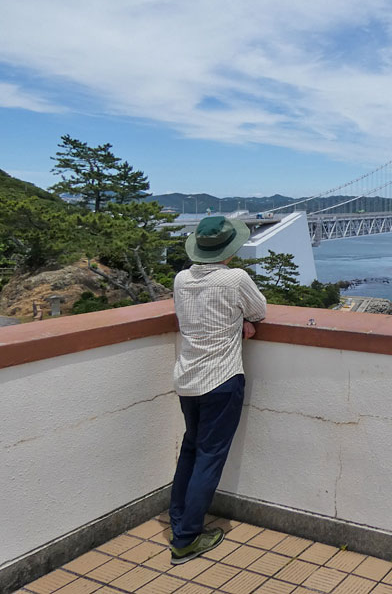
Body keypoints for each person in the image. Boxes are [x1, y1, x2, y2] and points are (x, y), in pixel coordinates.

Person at [168, 216, 266, 564]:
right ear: (229, 248)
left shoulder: (181, 278)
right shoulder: (235, 278)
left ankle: (179, 522)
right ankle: (186, 539)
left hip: (187, 380)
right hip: (222, 381)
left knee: (191, 450)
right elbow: (260, 310)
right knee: (209, 458)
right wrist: (244, 323)